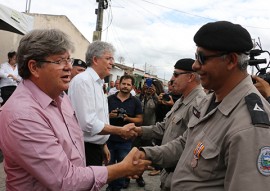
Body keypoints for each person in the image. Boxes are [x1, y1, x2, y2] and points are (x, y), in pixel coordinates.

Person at [0, 29, 151, 191]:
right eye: (59, 61)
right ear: (34, 67)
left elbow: (74, 138)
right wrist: (122, 168)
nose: (68, 67)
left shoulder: (60, 97)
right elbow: (65, 180)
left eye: (68, 60)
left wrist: (102, 145)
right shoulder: (23, 116)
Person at [133, 21, 270, 190]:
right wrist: (146, 154)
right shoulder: (210, 100)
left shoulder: (250, 126)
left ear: (231, 60)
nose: (195, 65)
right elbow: (186, 143)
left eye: (202, 58)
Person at [135, 58, 206, 190]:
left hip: (181, 176)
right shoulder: (181, 100)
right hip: (168, 173)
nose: (172, 79)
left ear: (190, 76)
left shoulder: (199, 103)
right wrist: (137, 130)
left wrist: (146, 153)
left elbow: (187, 144)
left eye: (176, 74)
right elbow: (163, 127)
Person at [68, 41, 137, 166]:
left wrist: (103, 144)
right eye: (108, 58)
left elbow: (99, 117)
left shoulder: (98, 83)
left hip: (95, 146)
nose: (112, 62)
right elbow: (87, 123)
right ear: (95, 59)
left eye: (112, 59)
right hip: (85, 147)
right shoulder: (83, 81)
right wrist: (120, 130)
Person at [106, 74, 143, 191]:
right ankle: (110, 187)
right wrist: (109, 115)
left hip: (125, 140)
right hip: (109, 138)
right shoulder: (109, 99)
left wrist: (128, 119)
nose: (126, 86)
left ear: (132, 87)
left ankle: (117, 188)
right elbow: (100, 118)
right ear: (119, 84)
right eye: (124, 83)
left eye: (128, 84)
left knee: (123, 167)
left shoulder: (136, 101)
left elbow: (140, 120)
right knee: (109, 166)